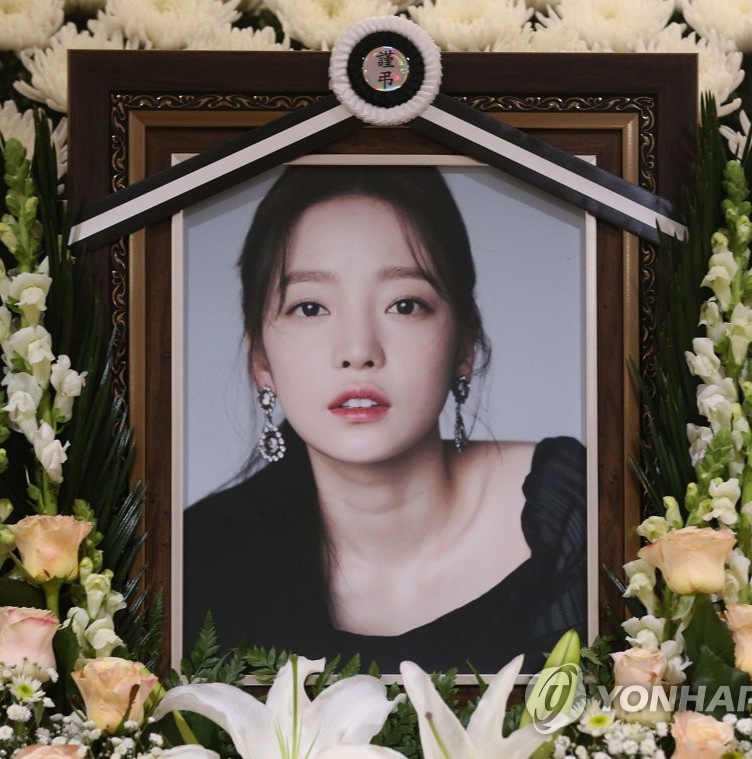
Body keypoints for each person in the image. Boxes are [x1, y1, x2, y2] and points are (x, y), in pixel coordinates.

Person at [184, 165, 586, 673]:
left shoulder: (568, 510)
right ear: (260, 359)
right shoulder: (196, 561)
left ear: (464, 344)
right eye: (310, 307)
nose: (358, 350)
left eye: (404, 304)